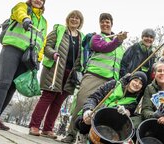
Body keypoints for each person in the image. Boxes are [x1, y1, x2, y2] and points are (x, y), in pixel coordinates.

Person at [61, 12, 128, 143]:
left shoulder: (121, 47)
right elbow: (104, 47)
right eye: (102, 21)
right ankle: (71, 134)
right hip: (93, 76)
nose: (105, 23)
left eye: (107, 21)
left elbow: (122, 65)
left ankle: (89, 137)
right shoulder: (96, 38)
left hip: (110, 81)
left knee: (101, 110)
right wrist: (118, 40)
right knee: (81, 104)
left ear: (111, 24)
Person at [0, 0, 48, 131]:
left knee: (13, 86)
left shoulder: (44, 21)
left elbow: (42, 40)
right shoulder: (22, 6)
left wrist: (39, 58)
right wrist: (25, 19)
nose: (38, 1)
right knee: (4, 82)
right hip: (12, 49)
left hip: (28, 56)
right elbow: (19, 13)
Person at [28, 10, 84, 139]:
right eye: (72, 17)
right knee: (47, 97)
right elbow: (47, 46)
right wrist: (53, 53)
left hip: (71, 75)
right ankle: (34, 125)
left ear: (80, 22)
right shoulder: (59, 30)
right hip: (55, 70)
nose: (74, 20)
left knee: (58, 102)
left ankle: (48, 129)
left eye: (77, 18)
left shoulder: (81, 37)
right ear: (68, 19)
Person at [74, 72, 147, 136]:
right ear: (130, 80)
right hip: (93, 114)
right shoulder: (114, 84)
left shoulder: (133, 102)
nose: (137, 84)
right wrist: (88, 110)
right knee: (83, 122)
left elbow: (128, 112)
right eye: (135, 80)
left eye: (140, 83)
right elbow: (94, 97)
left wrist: (125, 113)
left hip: (106, 124)